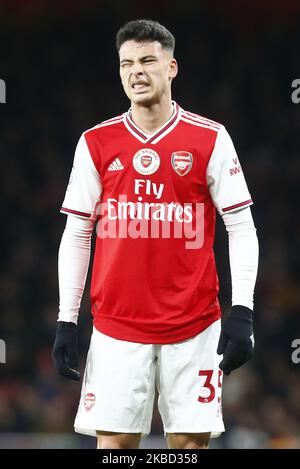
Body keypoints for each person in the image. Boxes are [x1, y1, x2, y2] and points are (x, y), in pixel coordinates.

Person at [52, 19, 259, 450]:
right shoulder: (96, 142)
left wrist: (243, 312)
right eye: (127, 63)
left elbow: (240, 227)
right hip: (115, 326)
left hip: (195, 325)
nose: (136, 72)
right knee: (116, 447)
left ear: (172, 67)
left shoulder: (210, 138)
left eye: (148, 60)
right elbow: (77, 233)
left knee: (188, 447)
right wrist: (66, 320)